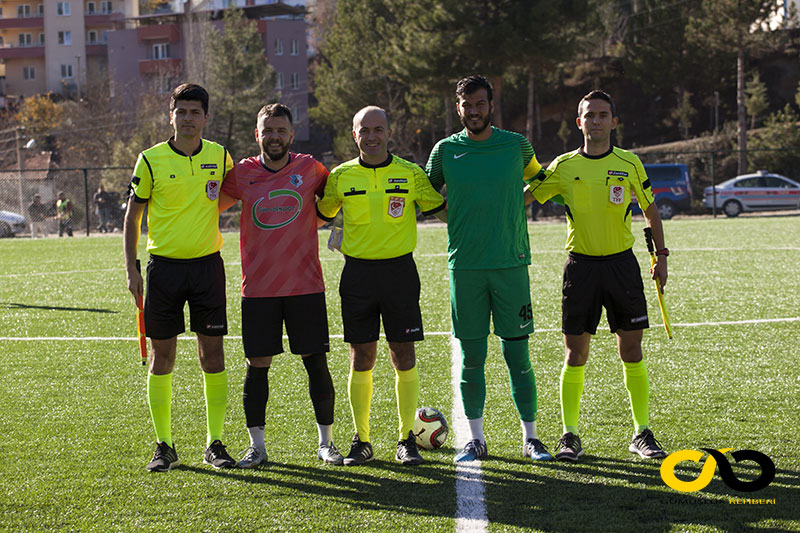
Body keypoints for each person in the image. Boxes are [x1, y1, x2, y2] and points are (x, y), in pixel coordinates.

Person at [528, 90, 668, 462]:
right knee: (575, 355)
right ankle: (569, 435)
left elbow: (651, 212)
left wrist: (661, 256)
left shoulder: (630, 163)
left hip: (622, 266)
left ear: (614, 121)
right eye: (589, 115)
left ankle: (642, 433)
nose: (596, 121)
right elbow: (527, 195)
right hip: (580, 268)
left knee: (632, 350)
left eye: (603, 115)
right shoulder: (563, 166)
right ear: (579, 122)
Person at [425, 75, 552, 463]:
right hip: (465, 267)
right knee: (472, 356)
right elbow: (426, 196)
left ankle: (531, 438)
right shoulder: (445, 150)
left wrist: (518, 201)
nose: (473, 111)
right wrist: (457, 218)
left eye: (480, 103)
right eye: (467, 104)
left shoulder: (516, 144)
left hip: (511, 264)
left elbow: (542, 181)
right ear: (458, 107)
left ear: (490, 105)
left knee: (518, 356)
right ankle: (475, 439)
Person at [316, 106, 446, 466]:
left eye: (378, 129)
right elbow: (320, 216)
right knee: (362, 357)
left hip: (400, 274)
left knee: (403, 355)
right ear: (353, 134)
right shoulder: (340, 177)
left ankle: (406, 440)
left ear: (389, 132)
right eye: (364, 130)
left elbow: (444, 210)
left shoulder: (411, 173)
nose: (371, 136)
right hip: (357, 275)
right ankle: (363, 440)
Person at [218, 103, 343, 468]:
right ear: (257, 135)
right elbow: (209, 204)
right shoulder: (241, 174)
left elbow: (336, 201)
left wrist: (335, 235)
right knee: (257, 365)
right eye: (267, 130)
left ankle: (326, 443)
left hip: (306, 285)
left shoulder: (310, 168)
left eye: (280, 130)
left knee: (315, 361)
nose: (274, 136)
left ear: (291, 134)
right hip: (258, 289)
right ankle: (257, 447)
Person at [123, 83, 235, 472]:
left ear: (206, 117)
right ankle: (164, 445)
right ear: (171, 116)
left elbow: (231, 193)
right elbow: (133, 216)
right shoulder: (150, 160)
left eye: (195, 112)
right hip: (164, 270)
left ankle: (215, 443)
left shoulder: (220, 156)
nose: (188, 118)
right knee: (162, 357)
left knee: (213, 355)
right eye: (181, 112)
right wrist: (131, 268)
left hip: (207, 267)